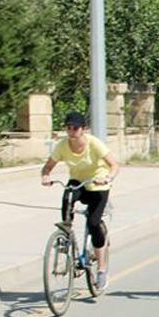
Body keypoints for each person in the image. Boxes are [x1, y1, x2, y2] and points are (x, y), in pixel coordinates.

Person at [40, 111, 119, 291]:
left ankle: (101, 270)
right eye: (68, 128)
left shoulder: (94, 144)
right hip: (78, 182)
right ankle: (66, 234)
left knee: (93, 222)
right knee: (68, 195)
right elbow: (48, 167)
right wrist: (45, 176)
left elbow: (114, 165)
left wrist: (108, 178)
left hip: (97, 184)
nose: (71, 131)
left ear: (83, 129)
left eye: (75, 128)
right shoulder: (62, 145)